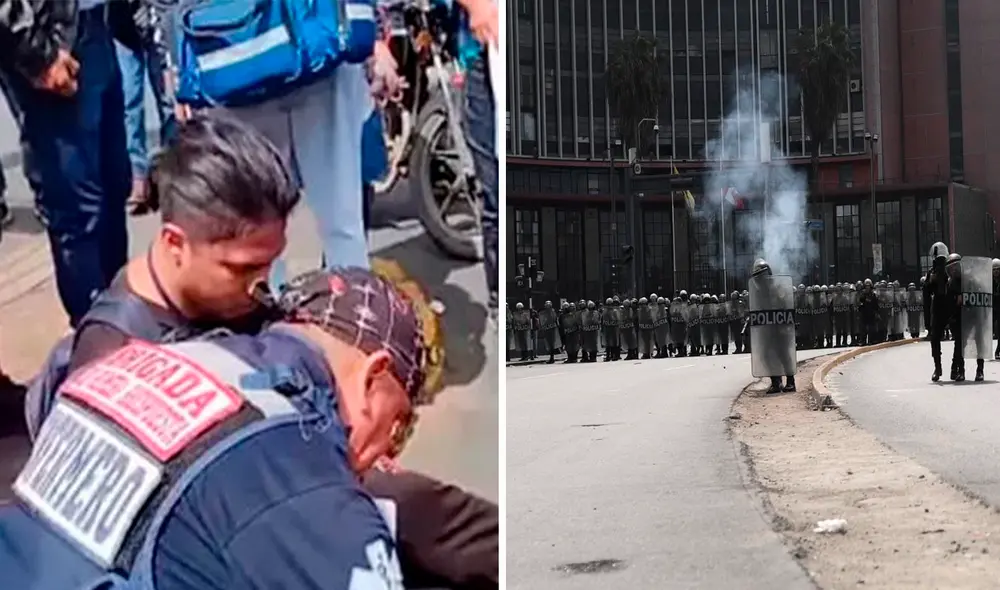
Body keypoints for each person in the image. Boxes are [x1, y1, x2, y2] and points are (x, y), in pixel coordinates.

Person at [29, 114, 497, 588]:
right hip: (221, 530)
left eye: (272, 264)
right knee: (407, 512)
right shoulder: (111, 352)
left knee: (429, 511)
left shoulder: (220, 296)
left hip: (266, 488)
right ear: (175, 244)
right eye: (243, 268)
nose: (261, 285)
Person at [0, 266, 420, 588]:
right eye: (399, 429)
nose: (385, 457)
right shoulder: (303, 472)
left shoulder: (165, 353)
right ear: (373, 375)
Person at [0, 0, 133, 327]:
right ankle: (96, 337)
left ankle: (123, 327)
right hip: (53, 38)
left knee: (113, 189)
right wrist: (36, 52)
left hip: (97, 23)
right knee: (77, 206)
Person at [112, 0, 176, 214]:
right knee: (128, 101)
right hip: (122, 21)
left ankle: (173, 174)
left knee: (169, 101)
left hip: (161, 15)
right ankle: (137, 178)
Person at [923, 242, 953, 382]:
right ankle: (937, 367)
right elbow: (926, 294)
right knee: (935, 339)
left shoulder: (950, 270)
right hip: (937, 309)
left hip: (950, 306)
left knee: (958, 337)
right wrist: (930, 281)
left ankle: (956, 366)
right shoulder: (931, 273)